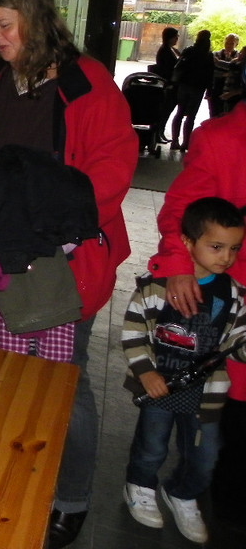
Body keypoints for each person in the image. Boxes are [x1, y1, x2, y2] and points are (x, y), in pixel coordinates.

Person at [0, 0, 138, 549]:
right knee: (2, 371)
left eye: (5, 25)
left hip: (59, 259)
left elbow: (113, 166)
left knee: (63, 383)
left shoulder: (85, 83)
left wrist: (46, 220)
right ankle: (14, 475)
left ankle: (70, 497)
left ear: (36, 19)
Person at [149, 74, 246, 529]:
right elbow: (182, 210)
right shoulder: (223, 140)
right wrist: (177, 262)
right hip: (233, 301)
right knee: (222, 427)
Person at [122, 197, 246, 544]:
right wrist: (146, 372)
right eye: (216, 247)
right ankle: (139, 485)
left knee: (206, 455)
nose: (226, 257)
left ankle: (182, 491)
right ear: (188, 242)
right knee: (151, 446)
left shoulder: (233, 294)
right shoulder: (156, 286)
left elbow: (235, 342)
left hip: (205, 393)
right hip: (160, 385)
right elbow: (133, 332)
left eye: (234, 248)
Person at [170, 29, 214, 151]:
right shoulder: (208, 55)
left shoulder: (189, 51)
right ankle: (186, 143)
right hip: (198, 88)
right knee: (191, 117)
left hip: (184, 85)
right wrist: (209, 91)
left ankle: (174, 140)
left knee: (179, 113)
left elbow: (179, 66)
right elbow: (210, 75)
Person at [152, 26, 181, 143]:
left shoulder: (168, 49)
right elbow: (168, 68)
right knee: (165, 110)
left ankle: (160, 132)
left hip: (167, 84)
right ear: (170, 37)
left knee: (165, 111)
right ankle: (158, 133)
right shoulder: (166, 51)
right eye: (175, 37)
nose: (177, 39)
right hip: (168, 85)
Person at [211, 33, 241, 117]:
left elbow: (236, 71)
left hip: (230, 90)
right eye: (227, 42)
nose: (228, 45)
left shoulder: (239, 57)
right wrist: (224, 74)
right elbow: (211, 71)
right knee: (214, 113)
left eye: (231, 43)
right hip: (216, 87)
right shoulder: (216, 54)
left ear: (236, 44)